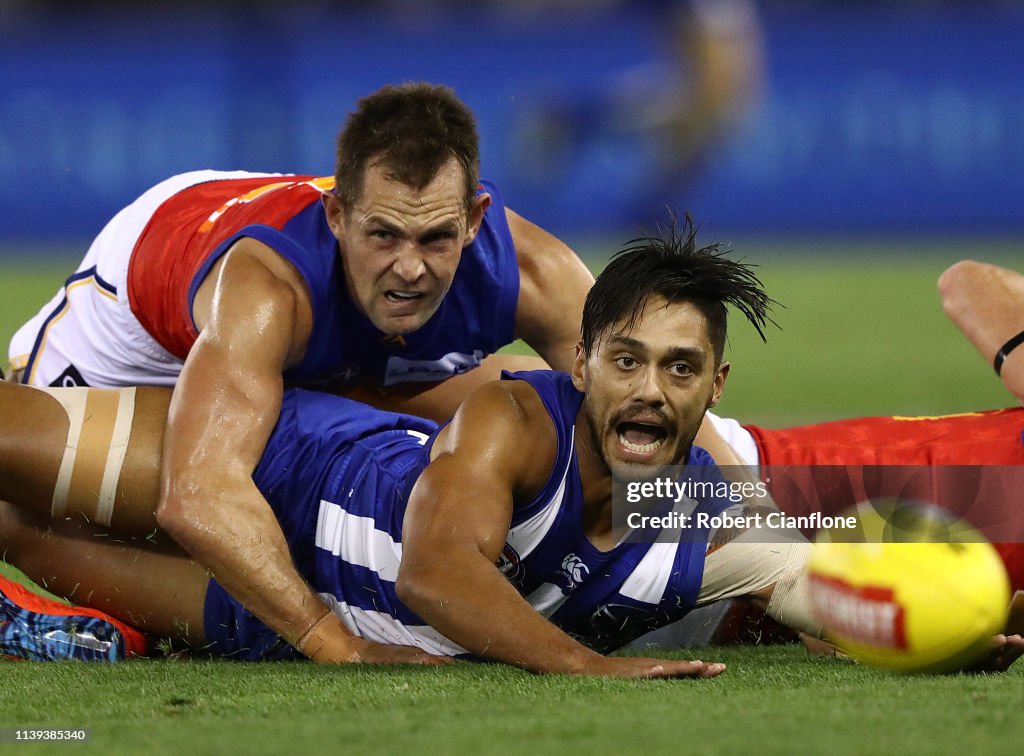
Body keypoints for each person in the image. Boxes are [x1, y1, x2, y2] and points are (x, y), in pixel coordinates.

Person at [0, 222, 828, 675]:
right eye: (626, 361)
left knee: (17, 529)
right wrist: (588, 668)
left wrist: (885, 615)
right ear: (579, 364)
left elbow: (790, 563)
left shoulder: (697, 499)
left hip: (276, 617)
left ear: (715, 385)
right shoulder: (520, 422)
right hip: (298, 469)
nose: (650, 389)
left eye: (679, 368)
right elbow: (434, 574)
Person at [4, 82, 597, 665]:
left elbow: (642, 395)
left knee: (533, 400)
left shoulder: (534, 271)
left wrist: (681, 518)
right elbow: (198, 495)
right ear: (337, 215)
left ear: (472, 221)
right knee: (30, 507)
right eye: (384, 234)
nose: (411, 267)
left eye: (436, 238)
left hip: (297, 344)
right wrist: (333, 642)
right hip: (131, 332)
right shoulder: (268, 291)